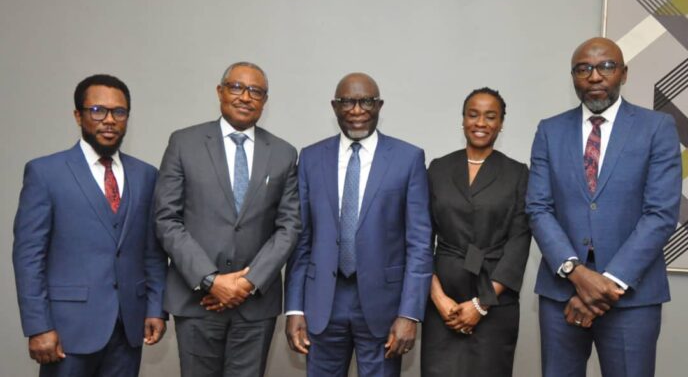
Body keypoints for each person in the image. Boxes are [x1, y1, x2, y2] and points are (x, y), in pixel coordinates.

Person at [527, 37, 681, 377]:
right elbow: (538, 208)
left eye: (606, 66)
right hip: (561, 293)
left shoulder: (657, 128)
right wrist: (577, 274)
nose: (595, 76)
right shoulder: (549, 131)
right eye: (584, 69)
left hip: (632, 297)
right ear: (573, 77)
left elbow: (660, 214)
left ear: (624, 73)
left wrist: (608, 283)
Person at [12, 74, 168, 377]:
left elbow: (153, 251)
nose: (109, 120)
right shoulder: (46, 173)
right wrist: (38, 325)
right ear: (78, 116)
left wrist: (155, 307)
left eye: (119, 112)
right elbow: (28, 257)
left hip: (128, 328)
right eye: (97, 110)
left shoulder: (146, 175)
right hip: (67, 330)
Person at [154, 62, 300, 377]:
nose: (245, 97)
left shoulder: (284, 154)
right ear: (220, 91)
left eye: (256, 91)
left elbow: (288, 227)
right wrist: (212, 281)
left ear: (265, 100)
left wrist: (245, 284)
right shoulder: (183, 143)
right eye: (236, 87)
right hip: (196, 300)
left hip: (255, 304)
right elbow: (167, 219)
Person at [284, 72, 433, 377]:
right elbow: (302, 240)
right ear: (334, 106)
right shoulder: (311, 158)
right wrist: (295, 307)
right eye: (347, 102)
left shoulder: (408, 159)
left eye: (366, 101)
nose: (356, 110)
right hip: (322, 302)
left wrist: (410, 313)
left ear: (379, 105)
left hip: (384, 306)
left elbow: (419, 244)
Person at [421, 87, 531, 376]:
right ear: (463, 120)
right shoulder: (438, 168)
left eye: (490, 116)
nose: (480, 123)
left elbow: (519, 242)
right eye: (473, 115)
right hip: (443, 303)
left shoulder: (517, 173)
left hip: (493, 302)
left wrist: (480, 305)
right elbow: (421, 238)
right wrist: (438, 298)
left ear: (501, 124)